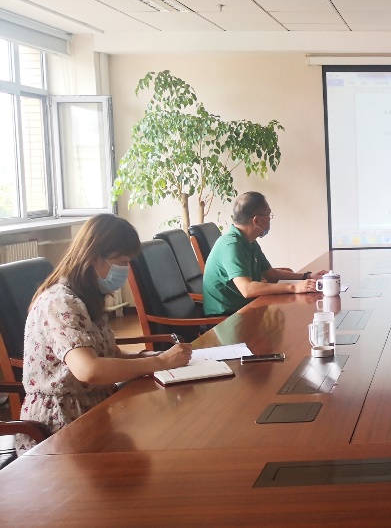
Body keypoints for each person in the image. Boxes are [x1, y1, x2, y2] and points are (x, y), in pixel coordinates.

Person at [17, 214, 194, 452]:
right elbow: (89, 370)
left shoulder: (86, 296)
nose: (125, 269)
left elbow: (110, 355)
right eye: (122, 261)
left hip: (94, 408)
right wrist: (160, 362)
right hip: (59, 426)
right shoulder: (61, 302)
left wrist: (148, 357)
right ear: (93, 256)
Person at [203, 192, 325, 316]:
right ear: (257, 220)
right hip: (226, 318)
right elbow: (247, 289)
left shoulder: (249, 241)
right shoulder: (231, 246)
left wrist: (308, 276)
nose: (270, 219)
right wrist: (294, 287)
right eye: (268, 215)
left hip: (247, 309)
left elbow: (271, 275)